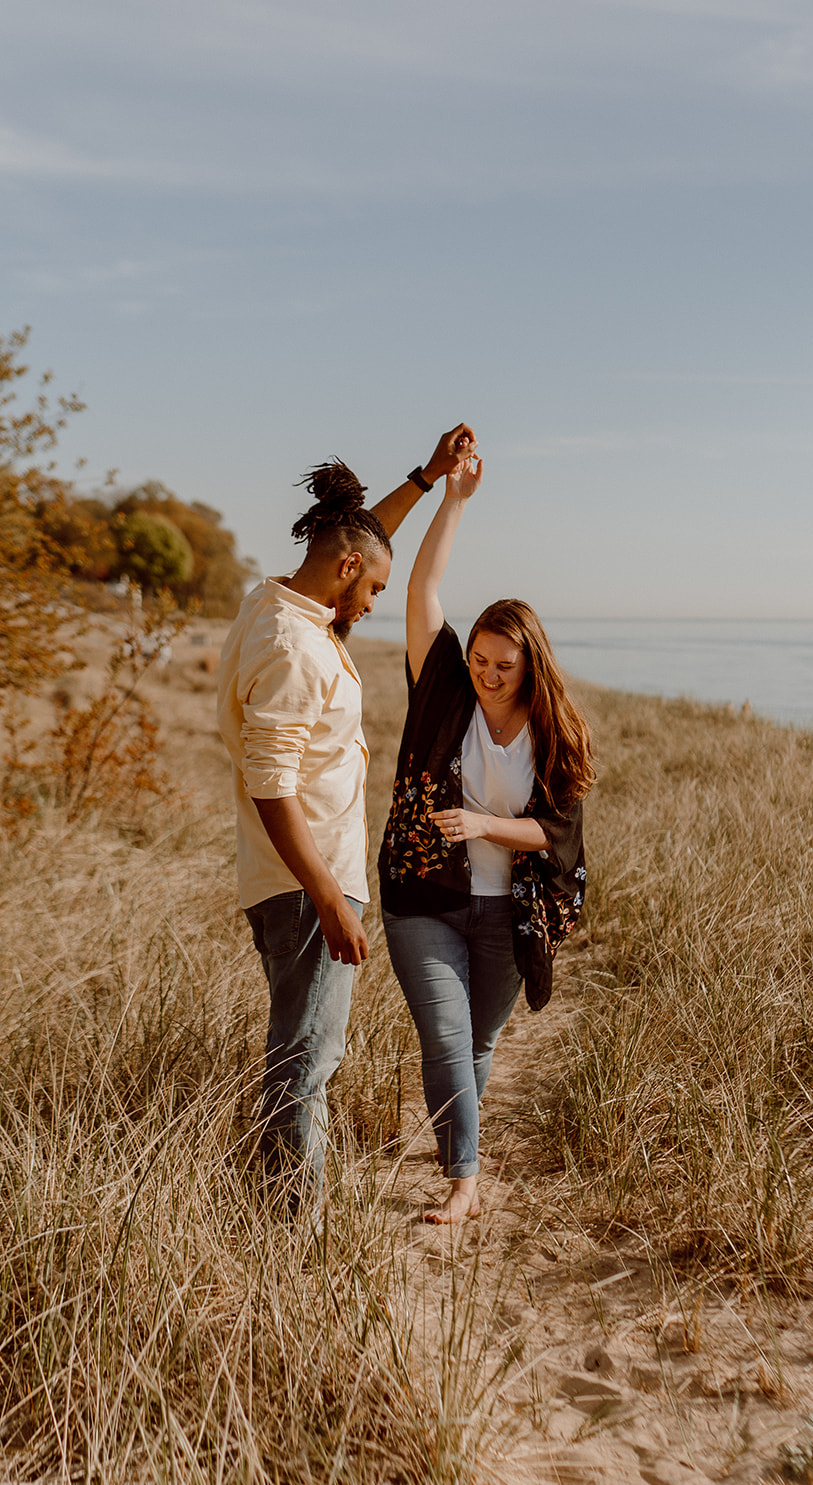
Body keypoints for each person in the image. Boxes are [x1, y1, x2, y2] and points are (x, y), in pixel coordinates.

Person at [218, 425, 477, 1226]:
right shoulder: (294, 647)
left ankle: (278, 1210)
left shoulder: (275, 599)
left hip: (291, 880)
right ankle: (295, 1229)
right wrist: (330, 896)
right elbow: (271, 783)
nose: (370, 607)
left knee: (301, 1050)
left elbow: (366, 538)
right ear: (347, 571)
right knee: (307, 1059)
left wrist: (425, 478)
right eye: (369, 591)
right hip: (306, 885)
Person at [378, 454, 595, 1224]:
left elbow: (557, 835)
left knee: (473, 1046)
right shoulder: (442, 688)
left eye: (503, 665)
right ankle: (463, 1181)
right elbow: (421, 591)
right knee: (443, 1039)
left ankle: (458, 1154)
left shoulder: (555, 733)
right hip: (423, 900)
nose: (487, 675)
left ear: (529, 663)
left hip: (509, 912)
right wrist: (454, 501)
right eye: (478, 660)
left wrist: (482, 824)